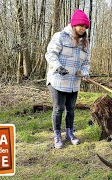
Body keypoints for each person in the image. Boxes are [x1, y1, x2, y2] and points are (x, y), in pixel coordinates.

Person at [45, 9, 90, 148]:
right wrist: (58, 67)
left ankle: (70, 133)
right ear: (74, 24)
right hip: (58, 80)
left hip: (73, 82)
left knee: (70, 109)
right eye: (81, 26)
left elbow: (86, 62)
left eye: (85, 27)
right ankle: (57, 135)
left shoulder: (84, 43)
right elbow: (50, 54)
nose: (83, 29)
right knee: (59, 108)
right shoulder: (60, 36)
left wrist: (84, 72)